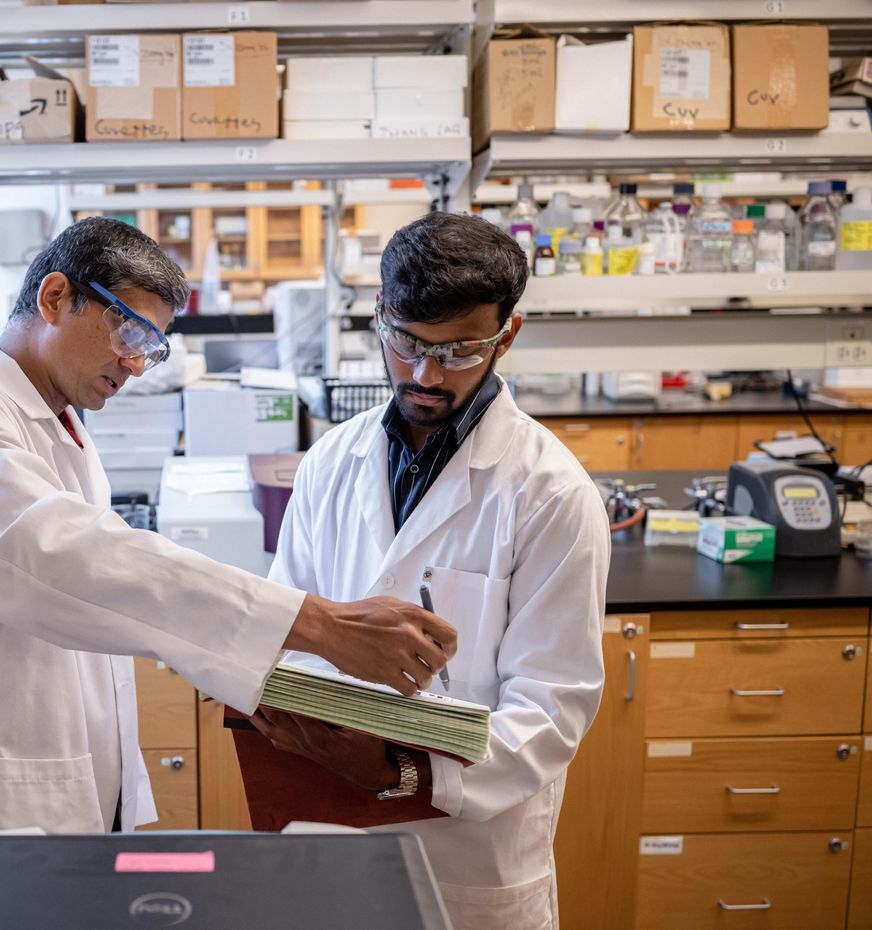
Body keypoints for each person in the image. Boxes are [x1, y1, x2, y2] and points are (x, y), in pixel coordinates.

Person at [0, 217, 456, 918]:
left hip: (55, 791)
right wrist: (315, 624)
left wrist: (267, 680)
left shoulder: (58, 428)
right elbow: (59, 563)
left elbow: (109, 615)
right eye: (130, 334)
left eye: (153, 346)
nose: (138, 364)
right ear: (55, 297)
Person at [249, 211, 610, 930]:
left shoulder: (550, 492)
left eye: (459, 350)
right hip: (332, 836)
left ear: (507, 336)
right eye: (406, 342)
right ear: (380, 315)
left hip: (470, 857)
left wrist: (402, 774)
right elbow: (290, 633)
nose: (423, 373)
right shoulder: (329, 464)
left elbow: (551, 708)